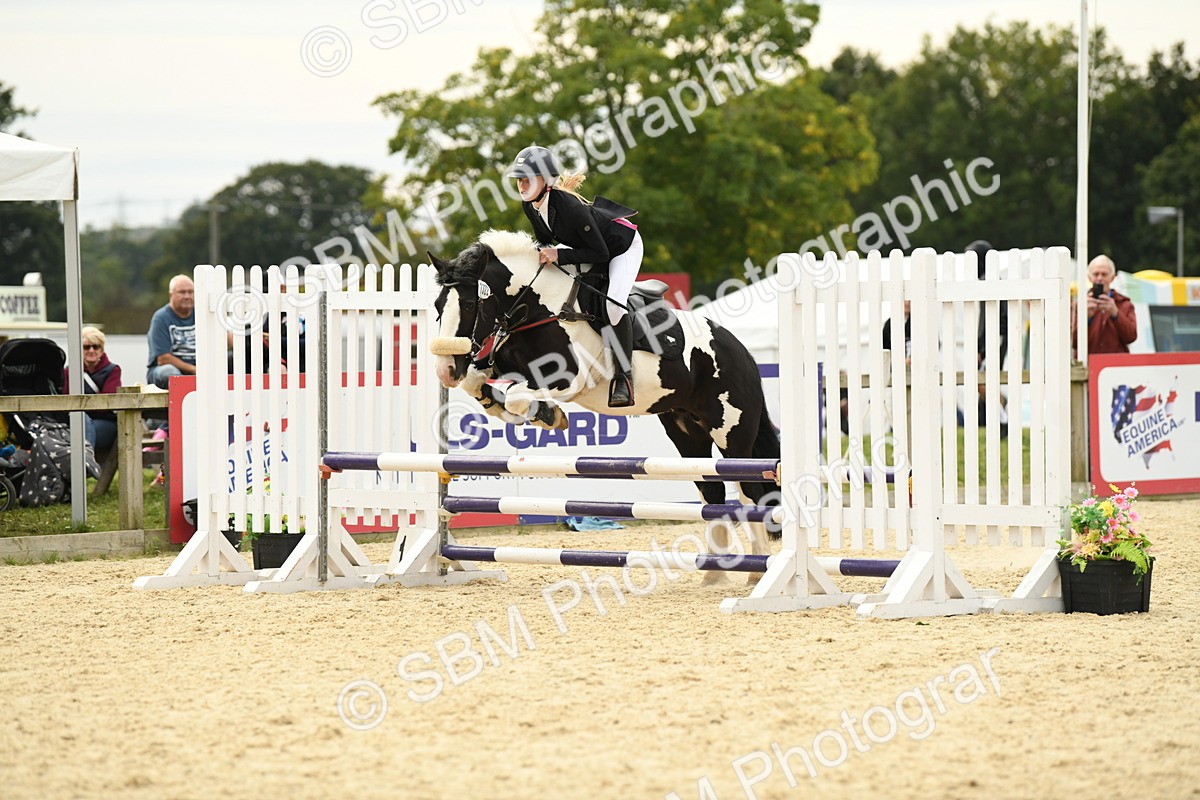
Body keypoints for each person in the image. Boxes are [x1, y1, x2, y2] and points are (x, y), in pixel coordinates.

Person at [508, 145, 642, 407]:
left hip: (621, 247)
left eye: (527, 179)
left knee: (613, 306)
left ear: (545, 180)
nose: (522, 185)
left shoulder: (568, 206)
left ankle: (624, 378)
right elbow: (547, 244)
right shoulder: (531, 206)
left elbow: (600, 254)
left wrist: (558, 256)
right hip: (589, 248)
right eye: (519, 180)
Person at [968, 240, 1009, 434]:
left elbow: (992, 320)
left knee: (983, 382)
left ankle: (1003, 418)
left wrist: (981, 349)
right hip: (992, 340)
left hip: (994, 341)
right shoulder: (989, 281)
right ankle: (1001, 415)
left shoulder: (990, 282)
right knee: (984, 382)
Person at [63, 326, 122, 451]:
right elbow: (65, 398)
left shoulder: (113, 371)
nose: (91, 350)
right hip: (75, 422)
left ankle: (86, 464)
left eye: (95, 346)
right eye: (86, 347)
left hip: (105, 423)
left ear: (102, 350)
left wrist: (81, 406)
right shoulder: (69, 371)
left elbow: (107, 403)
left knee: (82, 424)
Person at [1071, 254, 1137, 355]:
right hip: (1088, 365)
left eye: (1104, 274)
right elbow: (1073, 343)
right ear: (1089, 277)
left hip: (1116, 365)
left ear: (1112, 278)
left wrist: (1116, 314)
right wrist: (1086, 319)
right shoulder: (1078, 305)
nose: (1099, 278)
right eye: (1096, 274)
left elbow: (1131, 337)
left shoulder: (1124, 304)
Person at [147, 275, 196, 389]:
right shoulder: (161, 318)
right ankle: (183, 402)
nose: (187, 296)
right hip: (164, 370)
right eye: (182, 292)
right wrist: (194, 370)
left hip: (199, 368)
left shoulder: (203, 313)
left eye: (190, 292)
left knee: (232, 360)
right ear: (171, 294)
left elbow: (226, 336)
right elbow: (163, 358)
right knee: (169, 372)